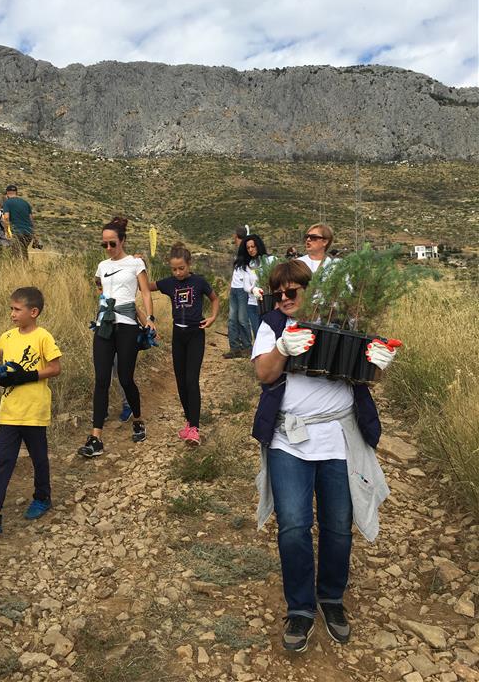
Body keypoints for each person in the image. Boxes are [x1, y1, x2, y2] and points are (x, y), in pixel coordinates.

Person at [251, 259, 397, 653]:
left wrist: (381, 362)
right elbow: (264, 375)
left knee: (337, 525)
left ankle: (331, 598)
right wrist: (282, 347)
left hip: (338, 438)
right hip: (289, 438)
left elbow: (368, 374)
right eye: (277, 293)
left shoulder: (342, 321)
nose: (283, 299)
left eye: (292, 292)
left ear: (309, 291)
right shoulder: (272, 326)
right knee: (294, 526)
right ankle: (300, 608)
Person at [0, 287, 62, 533]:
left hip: (34, 410)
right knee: (3, 460)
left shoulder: (43, 337)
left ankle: (42, 497)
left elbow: (55, 368)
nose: (12, 313)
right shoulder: (6, 337)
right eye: (11, 308)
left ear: (33, 312)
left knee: (39, 458)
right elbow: (0, 369)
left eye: (17, 309)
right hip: (9, 410)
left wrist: (27, 376)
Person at [79, 217, 155, 458]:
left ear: (122, 241)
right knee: (101, 379)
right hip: (104, 324)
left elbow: (144, 291)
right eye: (105, 245)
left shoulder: (135, 264)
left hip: (127, 325)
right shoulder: (102, 266)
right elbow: (99, 285)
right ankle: (96, 437)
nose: (109, 249)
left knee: (125, 377)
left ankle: (139, 420)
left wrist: (149, 318)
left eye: (112, 244)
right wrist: (103, 300)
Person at [149, 242, 219, 446]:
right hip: (178, 334)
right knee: (180, 381)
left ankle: (195, 429)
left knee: (191, 380)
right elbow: (145, 285)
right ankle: (188, 423)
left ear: (189, 264)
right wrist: (137, 267)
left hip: (196, 334)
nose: (178, 272)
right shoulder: (169, 283)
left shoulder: (199, 282)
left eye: (181, 268)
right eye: (174, 269)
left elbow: (214, 299)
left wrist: (213, 317)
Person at [224, 226, 251, 359]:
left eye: (234, 236)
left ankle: (247, 347)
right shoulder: (239, 251)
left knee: (242, 319)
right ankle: (235, 348)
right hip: (235, 288)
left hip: (242, 289)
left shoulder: (246, 250)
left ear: (237, 236)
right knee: (232, 319)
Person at [241, 234, 276, 338]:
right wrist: (253, 289)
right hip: (253, 305)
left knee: (270, 334)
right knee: (258, 335)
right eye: (248, 248)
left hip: (268, 303)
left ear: (258, 246)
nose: (251, 250)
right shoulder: (249, 265)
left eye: (253, 246)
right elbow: (246, 286)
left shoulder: (271, 260)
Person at [2, 184, 34, 261]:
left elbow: (6, 218)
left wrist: (6, 232)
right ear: (16, 192)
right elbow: (31, 219)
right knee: (23, 252)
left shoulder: (7, 203)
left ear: (7, 193)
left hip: (17, 232)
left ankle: (19, 271)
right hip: (28, 233)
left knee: (16, 255)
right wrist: (34, 234)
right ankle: (26, 269)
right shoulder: (25, 203)